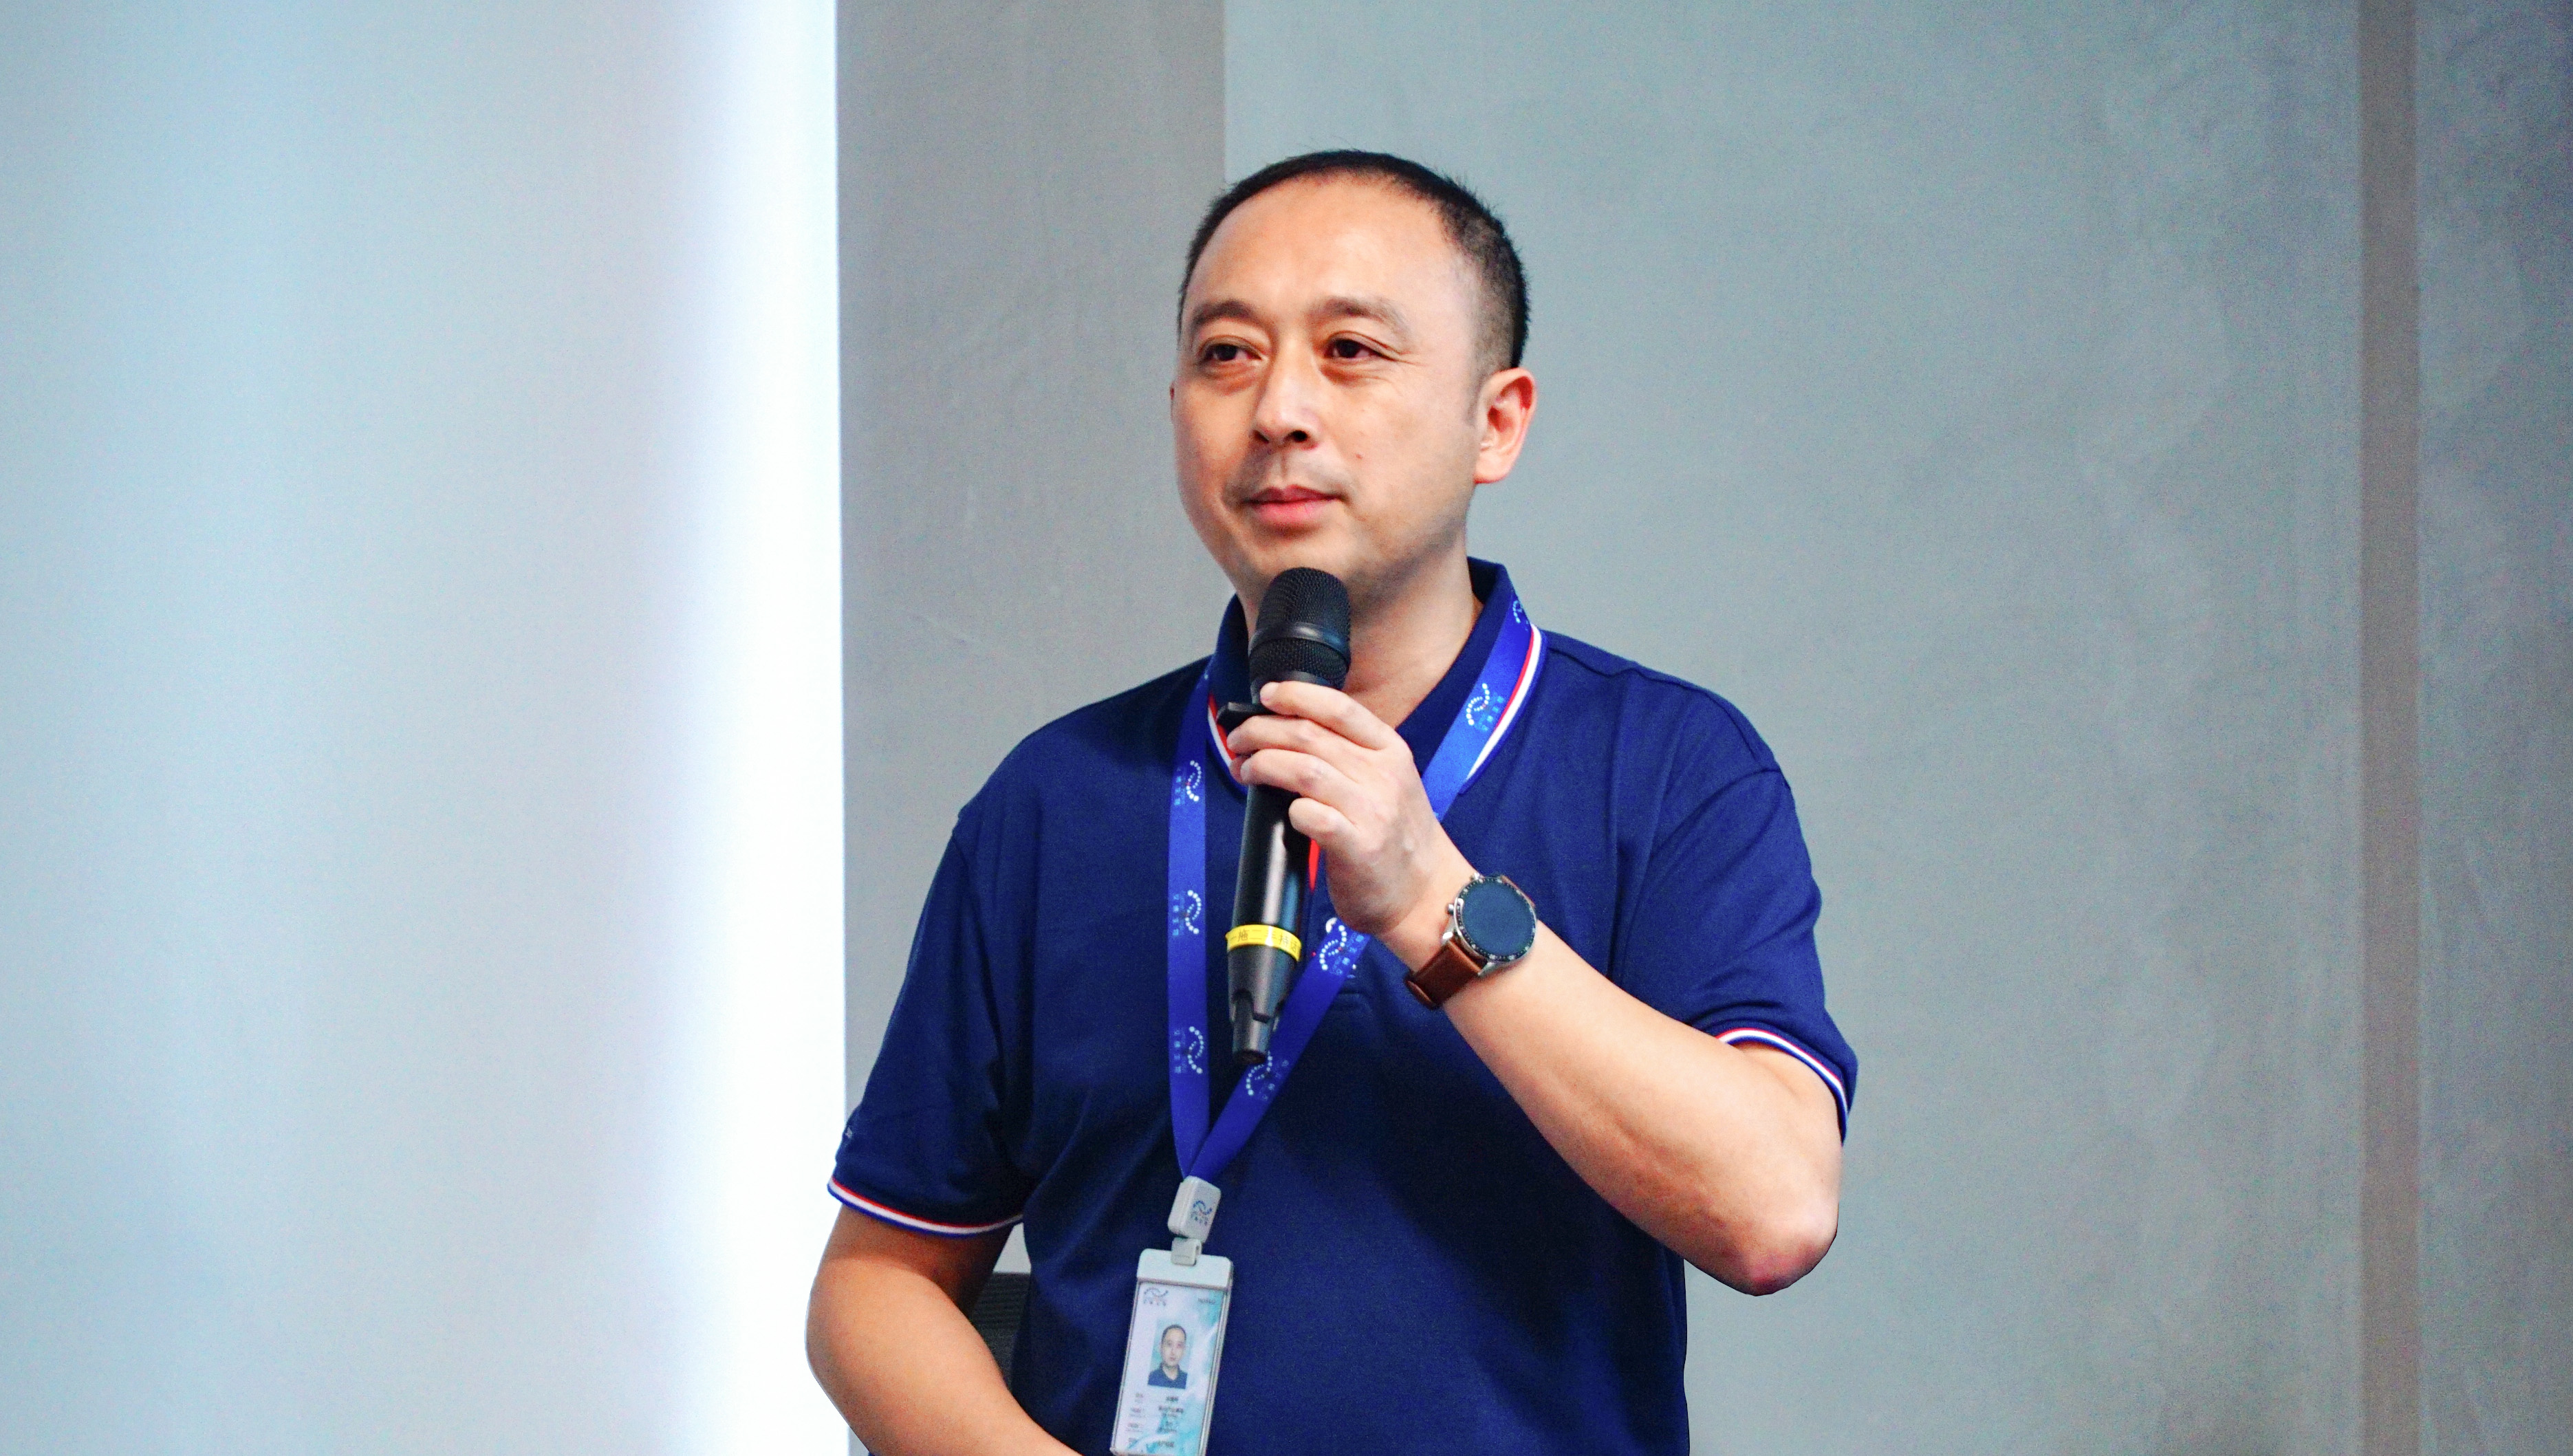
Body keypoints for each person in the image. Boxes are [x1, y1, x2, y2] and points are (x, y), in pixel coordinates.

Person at [807, 150, 1855, 1456]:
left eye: (1351, 350)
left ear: (1496, 421)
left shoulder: (1667, 766)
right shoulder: (1054, 800)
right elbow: (875, 1283)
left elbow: (1772, 1211)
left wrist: (1428, 898)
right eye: (1227, 355)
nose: (1279, 410)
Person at [1147, 1325, 1188, 1390]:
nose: (1173, 1352)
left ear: (1184, 1350)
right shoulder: (1149, 1379)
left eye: (1179, 1346)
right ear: (1160, 1347)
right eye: (1169, 1344)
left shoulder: (1189, 1382)